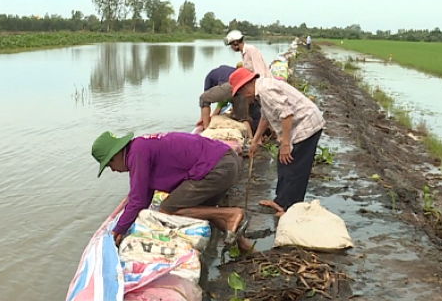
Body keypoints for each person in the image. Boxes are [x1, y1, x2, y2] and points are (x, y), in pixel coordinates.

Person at [92, 131, 252, 252]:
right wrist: (123, 229)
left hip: (217, 168)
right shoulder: (141, 147)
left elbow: (137, 200)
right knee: (201, 210)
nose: (113, 170)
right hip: (227, 161)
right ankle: (244, 245)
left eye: (110, 165)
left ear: (116, 154)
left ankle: (231, 214)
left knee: (167, 209)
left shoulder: (136, 153)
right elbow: (144, 196)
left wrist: (116, 231)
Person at [228, 68, 324, 218]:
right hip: (297, 125)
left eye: (240, 93)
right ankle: (281, 201)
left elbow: (286, 114)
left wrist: (285, 144)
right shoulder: (261, 92)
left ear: (245, 85)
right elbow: (265, 117)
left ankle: (291, 208)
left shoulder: (266, 90)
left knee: (295, 167)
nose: (243, 97)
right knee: (283, 162)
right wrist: (255, 140)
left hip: (307, 125)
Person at [197, 65, 256, 135]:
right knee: (242, 118)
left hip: (232, 84)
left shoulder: (209, 78)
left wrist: (202, 119)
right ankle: (251, 138)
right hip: (243, 83)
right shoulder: (226, 71)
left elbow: (205, 101)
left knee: (203, 98)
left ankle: (206, 128)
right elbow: (222, 103)